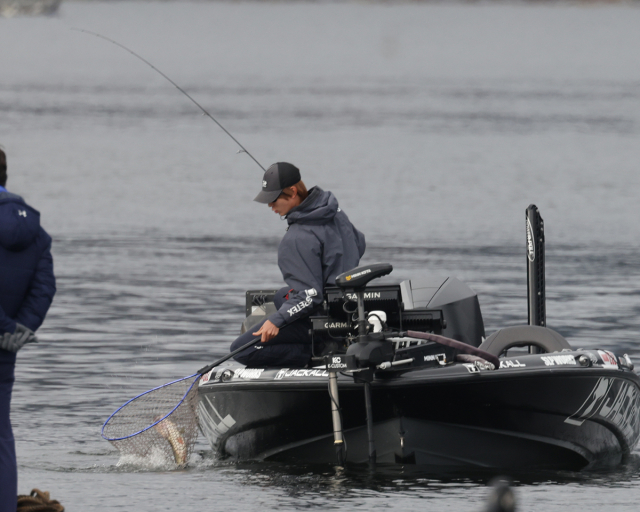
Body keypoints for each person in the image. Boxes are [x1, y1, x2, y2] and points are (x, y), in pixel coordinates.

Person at [230, 162, 365, 368]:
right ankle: (327, 339)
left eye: (273, 199)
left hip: (324, 314)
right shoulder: (336, 213)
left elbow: (310, 295)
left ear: (293, 192)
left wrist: (276, 321)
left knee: (242, 349)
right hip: (350, 305)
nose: (270, 206)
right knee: (280, 296)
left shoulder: (296, 238)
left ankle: (317, 351)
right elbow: (359, 243)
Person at [0, 148, 56, 512]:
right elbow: (44, 288)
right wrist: (17, 331)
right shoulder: (37, 232)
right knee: (1, 436)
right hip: (6, 348)